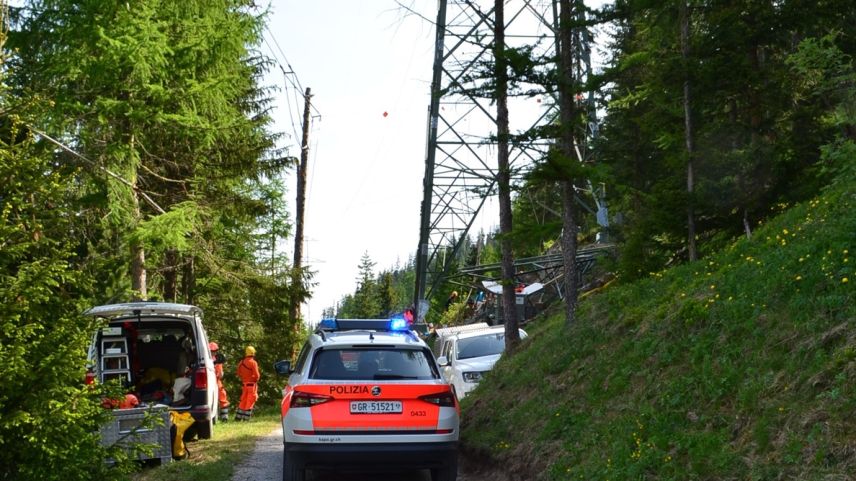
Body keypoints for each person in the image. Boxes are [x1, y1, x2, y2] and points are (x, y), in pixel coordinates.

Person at [235, 345, 260, 421]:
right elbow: (257, 376)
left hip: (244, 385)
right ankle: (246, 418)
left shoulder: (241, 362)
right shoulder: (253, 363)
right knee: (250, 401)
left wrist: (244, 378)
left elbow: (238, 373)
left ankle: (238, 417)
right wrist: (254, 379)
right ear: (253, 353)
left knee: (243, 401)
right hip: (251, 385)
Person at [209, 342, 230, 422]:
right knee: (222, 397)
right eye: (214, 351)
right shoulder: (218, 360)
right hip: (216, 381)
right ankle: (224, 417)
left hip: (207, 382)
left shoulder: (204, 358)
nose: (214, 352)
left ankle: (213, 417)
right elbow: (221, 374)